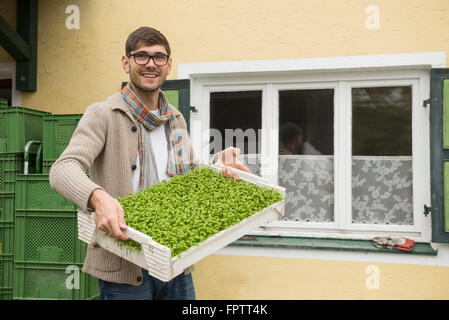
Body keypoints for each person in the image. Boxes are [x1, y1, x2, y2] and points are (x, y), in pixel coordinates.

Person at [49, 26, 250, 300]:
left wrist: (218, 164)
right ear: (126, 63)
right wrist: (97, 197)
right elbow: (63, 168)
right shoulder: (103, 114)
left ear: (169, 65)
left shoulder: (174, 118)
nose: (150, 64)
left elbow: (188, 174)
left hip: (174, 264)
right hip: (125, 268)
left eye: (158, 57)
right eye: (141, 56)